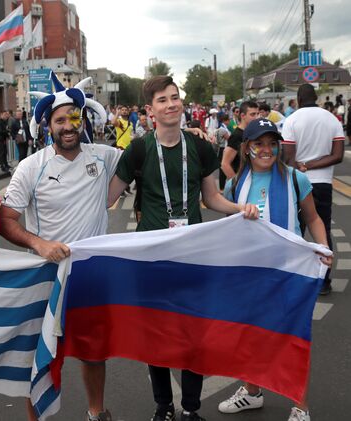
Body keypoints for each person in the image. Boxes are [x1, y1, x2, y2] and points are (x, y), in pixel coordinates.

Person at [107, 75, 258, 421]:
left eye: (175, 97)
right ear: (150, 110)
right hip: (152, 258)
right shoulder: (140, 149)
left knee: (195, 335)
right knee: (156, 337)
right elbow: (108, 197)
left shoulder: (201, 147)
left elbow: (212, 198)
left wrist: (241, 209)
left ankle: (190, 409)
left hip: (194, 256)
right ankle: (164, 407)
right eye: (162, 100)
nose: (171, 104)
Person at [0, 74, 119, 421]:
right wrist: (39, 244)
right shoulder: (30, 168)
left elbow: (141, 159)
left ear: (83, 120)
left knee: (94, 354)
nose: (68, 126)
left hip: (92, 277)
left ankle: (96, 413)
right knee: (41, 358)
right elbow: (6, 219)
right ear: (47, 125)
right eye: (60, 120)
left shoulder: (104, 156)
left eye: (74, 118)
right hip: (47, 278)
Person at [218, 118, 332, 421]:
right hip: (249, 273)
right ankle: (252, 393)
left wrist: (323, 246)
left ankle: (300, 407)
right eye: (259, 143)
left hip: (288, 272)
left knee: (291, 338)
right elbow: (226, 227)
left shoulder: (296, 179)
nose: (266, 149)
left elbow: (313, 218)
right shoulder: (234, 185)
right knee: (250, 335)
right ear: (246, 148)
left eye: (272, 143)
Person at [282, 83, 345, 295]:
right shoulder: (332, 119)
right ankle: (325, 281)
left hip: (298, 182)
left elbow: (288, 158)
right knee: (323, 230)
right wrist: (312, 165)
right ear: (316, 98)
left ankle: (297, 278)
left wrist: (303, 166)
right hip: (324, 183)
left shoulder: (291, 120)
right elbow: (338, 155)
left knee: (296, 231)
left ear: (298, 100)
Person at [221, 101, 259, 181]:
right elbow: (225, 164)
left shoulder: (254, 132)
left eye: (257, 114)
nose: (256, 117)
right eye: (252, 114)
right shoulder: (236, 135)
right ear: (242, 116)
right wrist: (237, 184)